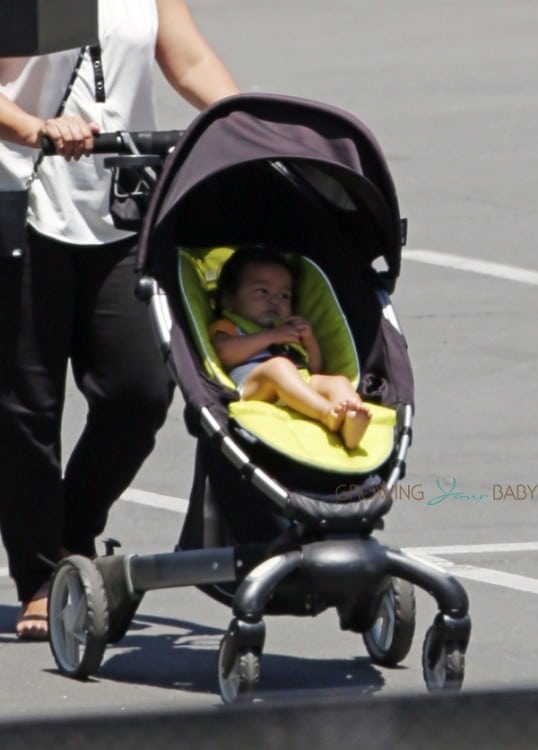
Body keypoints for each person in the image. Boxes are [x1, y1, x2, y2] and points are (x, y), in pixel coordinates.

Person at [0, 0, 239, 640]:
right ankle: (41, 577)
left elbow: (188, 60)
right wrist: (33, 127)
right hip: (20, 202)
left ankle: (73, 533)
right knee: (28, 408)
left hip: (119, 210)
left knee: (140, 390)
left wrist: (247, 125)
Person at [209, 247, 372, 449]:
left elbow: (314, 368)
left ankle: (350, 419)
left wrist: (310, 342)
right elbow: (224, 354)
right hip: (253, 385)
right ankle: (326, 412)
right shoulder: (229, 325)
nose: (275, 300)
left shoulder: (285, 332)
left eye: (284, 295)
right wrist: (269, 337)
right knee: (278, 366)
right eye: (262, 291)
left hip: (296, 384)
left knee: (337, 381)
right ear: (229, 299)